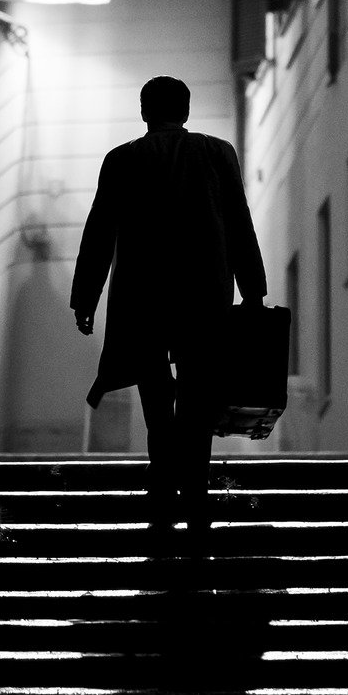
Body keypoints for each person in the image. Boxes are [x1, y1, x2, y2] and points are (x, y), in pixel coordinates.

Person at [70, 75, 267, 543]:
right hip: (204, 293)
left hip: (143, 297)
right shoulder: (218, 153)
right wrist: (252, 289)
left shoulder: (121, 160)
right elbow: (238, 220)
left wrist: (85, 298)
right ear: (186, 110)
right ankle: (196, 495)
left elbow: (100, 232)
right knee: (198, 399)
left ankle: (162, 486)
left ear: (144, 111)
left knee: (156, 400)